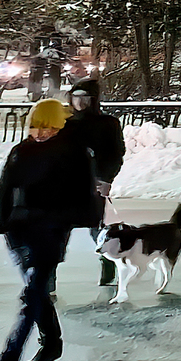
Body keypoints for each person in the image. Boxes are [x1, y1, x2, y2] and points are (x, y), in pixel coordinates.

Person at [0, 98, 99, 361]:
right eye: (35, 126)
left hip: (49, 233)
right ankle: (51, 342)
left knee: (32, 296)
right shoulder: (21, 151)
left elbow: (85, 196)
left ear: (59, 125)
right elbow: (4, 189)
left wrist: (62, 221)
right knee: (36, 295)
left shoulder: (74, 153)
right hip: (19, 232)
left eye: (47, 127)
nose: (40, 133)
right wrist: (4, 224)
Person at [60, 77, 125, 288]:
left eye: (84, 97)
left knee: (95, 226)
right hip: (66, 184)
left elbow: (115, 154)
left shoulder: (107, 124)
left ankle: (108, 261)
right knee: (59, 228)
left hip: (93, 184)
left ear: (93, 99)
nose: (78, 102)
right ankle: (47, 277)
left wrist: (107, 179)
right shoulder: (66, 123)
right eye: (75, 97)